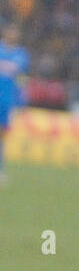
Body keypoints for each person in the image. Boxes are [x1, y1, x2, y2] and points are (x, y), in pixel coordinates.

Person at [0, 22, 29, 183]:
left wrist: (21, 101)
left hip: (6, 101)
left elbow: (21, 80)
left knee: (2, 136)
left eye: (16, 32)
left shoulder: (21, 55)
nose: (13, 35)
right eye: (11, 31)